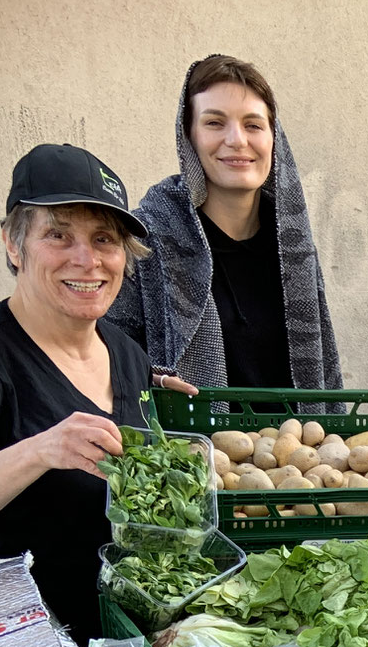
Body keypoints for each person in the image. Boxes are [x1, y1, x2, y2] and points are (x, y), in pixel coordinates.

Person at [0, 144, 197, 645]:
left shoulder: (126, 354)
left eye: (105, 239)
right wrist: (40, 450)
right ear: (14, 246)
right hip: (10, 646)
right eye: (58, 235)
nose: (87, 260)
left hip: (111, 639)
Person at [105, 54, 342, 393]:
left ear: (273, 139)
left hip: (296, 444)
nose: (237, 140)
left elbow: (320, 370)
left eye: (253, 125)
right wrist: (150, 379)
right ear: (189, 137)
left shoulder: (291, 247)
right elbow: (101, 359)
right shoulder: (145, 241)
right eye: (215, 123)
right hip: (190, 444)